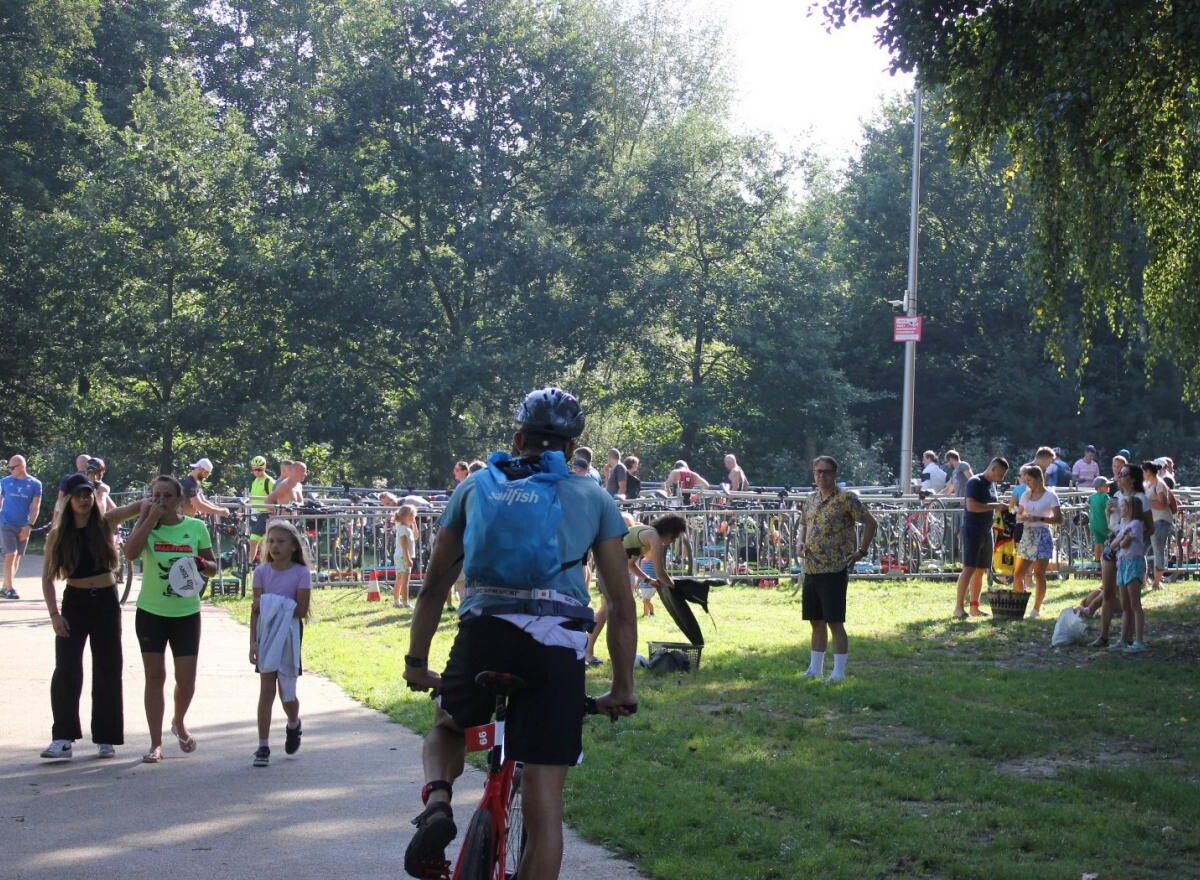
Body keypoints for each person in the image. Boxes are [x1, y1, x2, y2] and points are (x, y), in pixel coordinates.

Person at [401, 388, 637, 880]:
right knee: (545, 804)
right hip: (556, 647)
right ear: (570, 448)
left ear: (517, 438)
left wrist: (417, 663)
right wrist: (621, 689)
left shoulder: (475, 487)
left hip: (484, 634)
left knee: (449, 725)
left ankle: (439, 801)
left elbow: (433, 587)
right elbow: (620, 605)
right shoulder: (593, 497)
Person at [38, 475, 142, 760]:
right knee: (67, 669)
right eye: (79, 495)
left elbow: (135, 507)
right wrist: (54, 615)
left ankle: (106, 737)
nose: (84, 499)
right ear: (69, 500)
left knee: (108, 667)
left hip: (106, 601)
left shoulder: (104, 522)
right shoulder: (58, 535)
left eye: (88, 494)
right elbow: (47, 579)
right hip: (75, 602)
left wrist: (159, 497)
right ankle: (62, 738)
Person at [123, 475, 218, 764]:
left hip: (186, 614)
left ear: (180, 500)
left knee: (186, 680)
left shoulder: (196, 527)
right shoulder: (147, 526)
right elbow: (129, 553)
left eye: (167, 496)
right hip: (151, 612)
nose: (161, 500)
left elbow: (213, 567)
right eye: (156, 496)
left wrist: (202, 564)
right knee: (155, 676)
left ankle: (178, 721)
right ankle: (155, 743)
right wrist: (149, 520)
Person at [796, 456, 877, 683]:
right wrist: (800, 543)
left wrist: (862, 550)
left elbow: (871, 523)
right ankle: (815, 669)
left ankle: (839, 673)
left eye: (826, 471)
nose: (822, 475)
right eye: (818, 471)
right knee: (815, 621)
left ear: (834, 474)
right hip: (811, 568)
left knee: (834, 622)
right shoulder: (810, 499)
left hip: (834, 568)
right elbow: (803, 524)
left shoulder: (846, 499)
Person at [248, 520, 312, 767]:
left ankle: (293, 723)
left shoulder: (301, 573)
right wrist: (253, 642)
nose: (274, 546)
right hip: (266, 633)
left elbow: (301, 610)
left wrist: (271, 602)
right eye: (271, 541)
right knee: (266, 690)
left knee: (287, 692)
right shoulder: (262, 573)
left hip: (288, 634)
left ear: (293, 546)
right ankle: (263, 745)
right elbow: (256, 610)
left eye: (281, 542)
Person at [1091, 461, 1152, 648]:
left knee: (1130, 599)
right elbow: (1113, 523)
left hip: (1130, 549)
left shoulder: (1141, 498)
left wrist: (1134, 540)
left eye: (1123, 473)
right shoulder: (1116, 496)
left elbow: (1149, 527)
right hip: (1113, 542)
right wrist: (1108, 512)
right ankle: (1104, 636)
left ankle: (1128, 638)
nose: (1118, 476)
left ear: (1132, 479)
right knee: (1108, 591)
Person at [951, 457, 1010, 619]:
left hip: (986, 530)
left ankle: (974, 608)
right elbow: (971, 506)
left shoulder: (992, 485)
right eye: (1001, 474)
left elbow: (990, 504)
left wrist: (1001, 506)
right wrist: (995, 506)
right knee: (969, 568)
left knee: (981, 570)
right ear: (993, 468)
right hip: (972, 530)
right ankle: (958, 608)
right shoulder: (974, 482)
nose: (1002, 478)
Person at [1012, 464, 1062, 619]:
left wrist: (1039, 518)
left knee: (1039, 573)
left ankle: (1036, 609)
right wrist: (1022, 516)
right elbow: (1019, 514)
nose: (1027, 483)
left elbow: (1059, 519)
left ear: (1039, 479)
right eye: (1025, 480)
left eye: (1030, 480)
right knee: (1018, 573)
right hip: (1027, 534)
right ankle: (1019, 607)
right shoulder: (1025, 495)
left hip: (1043, 535)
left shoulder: (1050, 496)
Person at [622, 514, 687, 619]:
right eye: (674, 537)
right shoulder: (654, 537)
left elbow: (631, 565)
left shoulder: (647, 535)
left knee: (610, 608)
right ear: (669, 532)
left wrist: (648, 579)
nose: (674, 541)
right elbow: (660, 571)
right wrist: (674, 588)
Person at [1, 454, 43, 599]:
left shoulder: (35, 484)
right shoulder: (5, 481)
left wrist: (29, 526)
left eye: (13, 467)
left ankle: (5, 586)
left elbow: (36, 507)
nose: (10, 470)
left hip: (24, 526)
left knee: (17, 557)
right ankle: (10, 589)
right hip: (6, 523)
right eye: (9, 468)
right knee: (11, 554)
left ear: (22, 466)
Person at [1112, 496, 1148, 653]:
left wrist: (1121, 540)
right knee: (1125, 605)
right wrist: (1121, 539)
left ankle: (1139, 641)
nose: (1122, 509)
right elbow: (1114, 544)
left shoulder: (1136, 524)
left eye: (1125, 507)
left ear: (1132, 509)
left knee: (1135, 604)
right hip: (1122, 564)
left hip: (1134, 563)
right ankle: (1123, 639)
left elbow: (1124, 543)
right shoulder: (1124, 525)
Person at [1143, 460, 1174, 591]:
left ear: (1148, 472)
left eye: (1143, 471)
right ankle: (1144, 580)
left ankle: (1156, 582)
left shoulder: (1160, 484)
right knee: (1142, 549)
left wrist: (1146, 502)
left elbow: (1162, 504)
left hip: (1161, 521)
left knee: (1158, 550)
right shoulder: (1148, 485)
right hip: (1151, 521)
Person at [246, 455, 277, 564]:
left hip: (265, 514)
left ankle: (249, 563)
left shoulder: (269, 481)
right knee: (260, 542)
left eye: (259, 469)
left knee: (253, 539)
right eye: (254, 469)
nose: (257, 472)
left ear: (264, 468)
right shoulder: (255, 481)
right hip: (254, 513)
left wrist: (272, 511)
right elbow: (252, 498)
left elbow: (276, 498)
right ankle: (259, 564)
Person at [393, 503, 417, 609]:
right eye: (412, 516)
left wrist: (414, 524)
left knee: (399, 579)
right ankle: (405, 601)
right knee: (404, 580)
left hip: (400, 556)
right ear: (405, 516)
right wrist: (408, 559)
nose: (413, 517)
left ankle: (397, 601)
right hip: (403, 556)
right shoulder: (403, 529)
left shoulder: (407, 528)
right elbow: (404, 545)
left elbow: (416, 536)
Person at [1089, 477, 1111, 562]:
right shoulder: (1105, 497)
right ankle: (1105, 561)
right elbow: (1110, 507)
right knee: (1109, 542)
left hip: (1094, 524)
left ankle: (1097, 561)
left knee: (1098, 543)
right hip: (1104, 524)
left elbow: (1087, 503)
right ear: (1100, 487)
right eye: (1106, 485)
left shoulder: (1092, 497)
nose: (1108, 487)